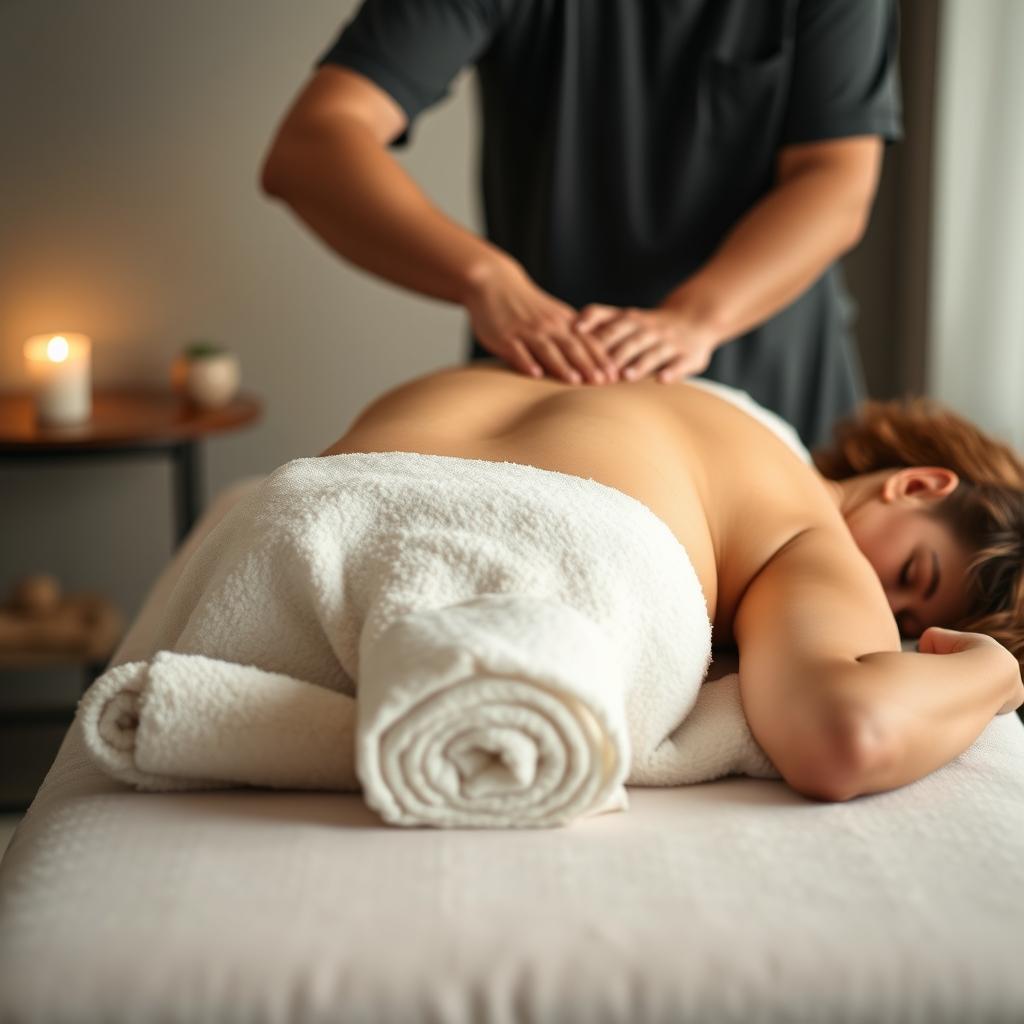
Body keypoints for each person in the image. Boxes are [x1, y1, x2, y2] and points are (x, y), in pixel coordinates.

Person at [317, 362, 1024, 800]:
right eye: (911, 574)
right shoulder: (809, 531)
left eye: (901, 623)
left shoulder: (667, 393)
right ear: (920, 483)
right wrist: (992, 676)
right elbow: (846, 735)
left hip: (316, 510)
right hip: (503, 554)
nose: (882, 600)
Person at [261, 0, 902, 447]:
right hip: (550, 380)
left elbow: (836, 180)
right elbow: (314, 145)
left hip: (772, 382)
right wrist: (484, 279)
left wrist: (695, 318)